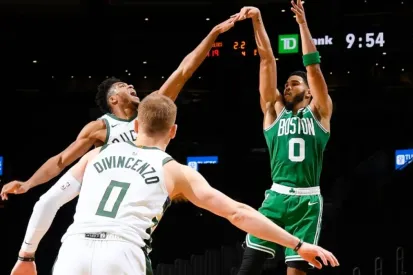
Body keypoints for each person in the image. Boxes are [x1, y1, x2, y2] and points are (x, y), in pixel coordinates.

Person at [10, 93, 339, 275]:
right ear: (174, 131)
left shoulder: (95, 156)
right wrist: (298, 245)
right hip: (122, 255)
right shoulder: (175, 171)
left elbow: (46, 203)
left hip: (73, 251)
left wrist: (26, 257)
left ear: (136, 125)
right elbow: (239, 214)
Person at [0, 17, 237, 200]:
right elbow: (62, 160)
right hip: (109, 193)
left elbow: (184, 71)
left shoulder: (149, 109)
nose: (131, 85)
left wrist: (214, 33)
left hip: (145, 188)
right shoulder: (99, 128)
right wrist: (28, 183)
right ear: (113, 99)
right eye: (123, 86)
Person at [234, 1, 334, 274]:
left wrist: (302, 25)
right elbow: (266, 60)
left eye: (294, 83)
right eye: (286, 84)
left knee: (296, 271)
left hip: (308, 201)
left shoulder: (320, 113)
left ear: (310, 92)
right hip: (276, 197)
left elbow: (313, 69)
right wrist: (257, 19)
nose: (287, 87)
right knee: (248, 267)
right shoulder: (274, 111)